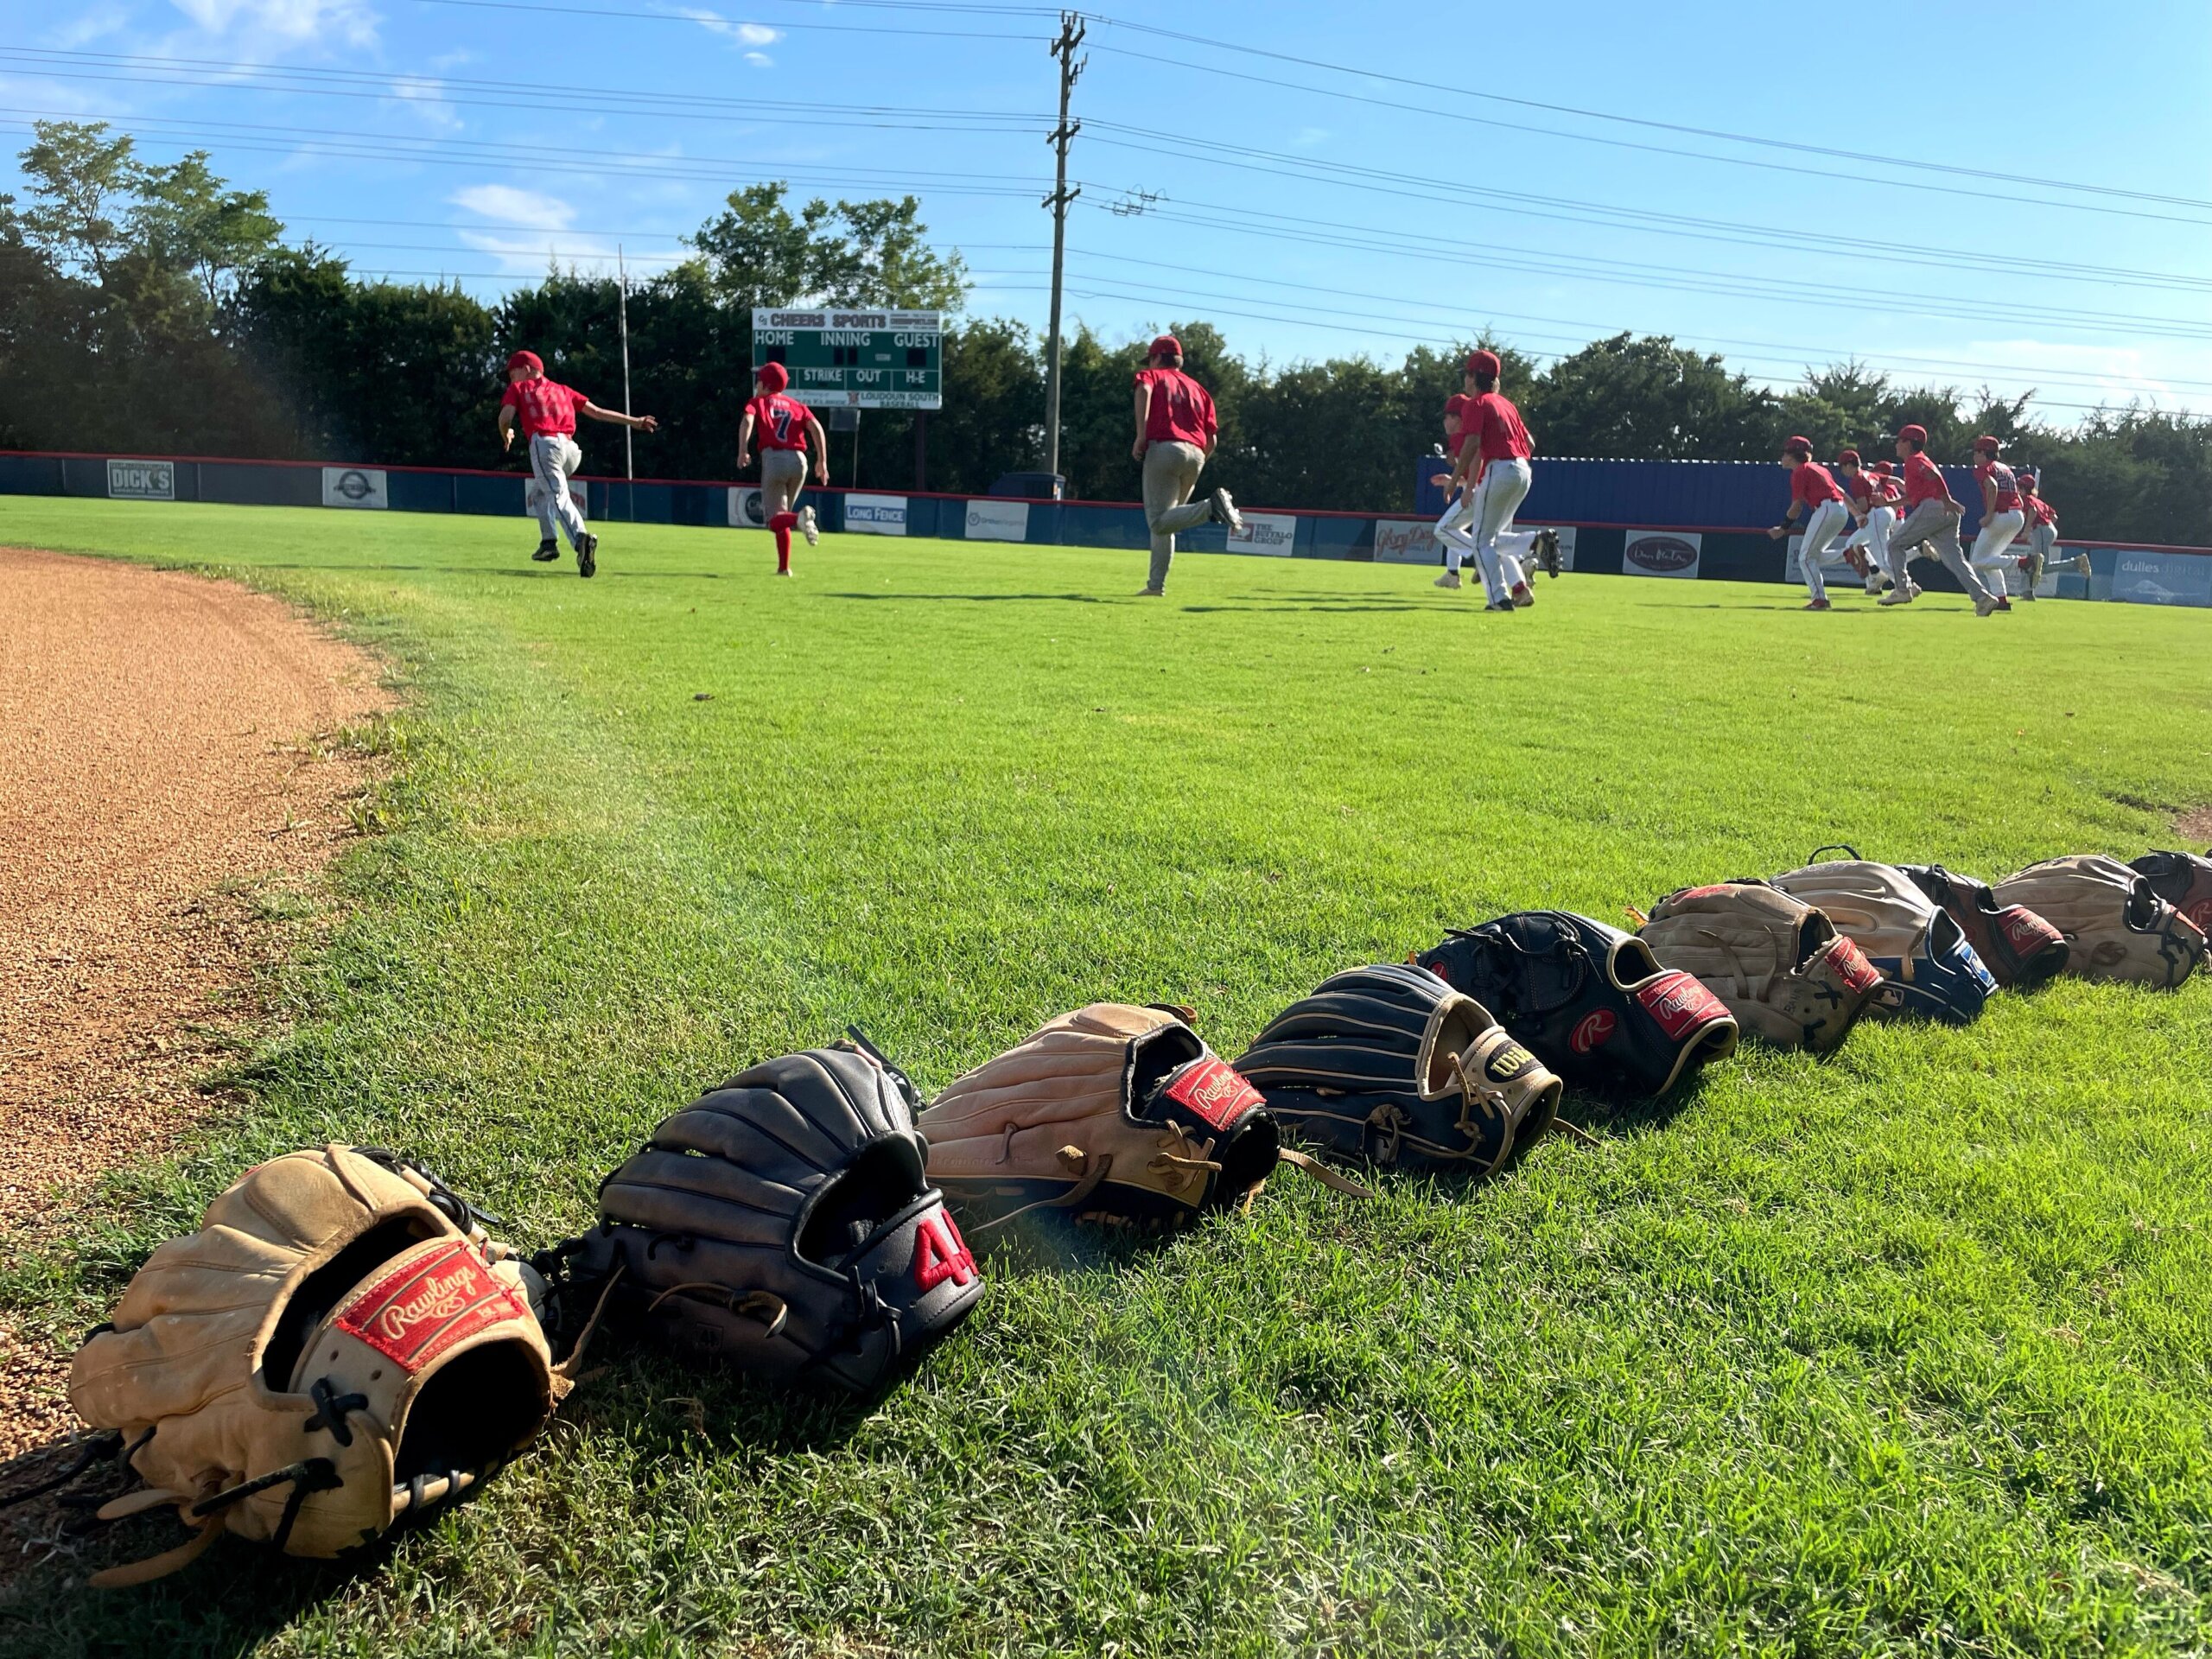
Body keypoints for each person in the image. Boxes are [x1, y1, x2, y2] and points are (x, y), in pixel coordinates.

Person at [498, 349, 658, 579]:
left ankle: (580, 539)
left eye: (511, 374)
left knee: (556, 495)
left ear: (527, 370)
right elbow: (599, 412)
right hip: (571, 450)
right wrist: (635, 422)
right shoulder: (563, 390)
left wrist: (506, 435)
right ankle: (549, 542)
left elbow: (505, 419)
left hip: (546, 444)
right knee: (541, 493)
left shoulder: (518, 388)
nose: (510, 380)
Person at [1131, 334, 1242, 596]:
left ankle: (1209, 507)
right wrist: (1198, 459)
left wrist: (1141, 435)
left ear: (1157, 357)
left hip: (1164, 449)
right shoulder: (1198, 388)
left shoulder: (1153, 376)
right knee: (1169, 521)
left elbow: (1143, 389)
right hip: (1196, 453)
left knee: (1158, 521)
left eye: (1151, 359)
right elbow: (1212, 438)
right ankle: (1155, 586)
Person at [1432, 349, 1536, 610]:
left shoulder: (1477, 404)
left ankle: (1502, 593)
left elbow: (1473, 446)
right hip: (1522, 470)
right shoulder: (1507, 404)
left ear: (1475, 377)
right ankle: (1524, 563)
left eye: (1467, 374)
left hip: (1499, 470)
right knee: (1490, 539)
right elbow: (1530, 443)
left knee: (1481, 541)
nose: (1465, 379)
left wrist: (1457, 479)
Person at [1883, 424, 2004, 614]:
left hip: (1935, 508)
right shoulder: (1915, 462)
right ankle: (1983, 598)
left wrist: (1946, 500)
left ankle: (1902, 590)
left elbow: (1935, 476)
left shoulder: (1914, 460)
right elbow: (1913, 497)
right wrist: (1889, 503)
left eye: (1900, 440)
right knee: (1956, 561)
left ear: (1909, 443)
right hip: (1942, 510)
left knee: (1894, 545)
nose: (1897, 444)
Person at [736, 361, 829, 577]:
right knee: (783, 514)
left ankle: (799, 518)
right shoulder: (797, 405)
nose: (757, 384)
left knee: (774, 520)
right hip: (800, 461)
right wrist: (822, 461)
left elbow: (747, 422)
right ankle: (784, 568)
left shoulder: (758, 402)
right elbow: (816, 427)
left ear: (766, 384)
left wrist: (743, 449)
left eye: (759, 380)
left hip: (775, 459)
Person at [1767, 437, 1851, 610]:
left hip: (1826, 509)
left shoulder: (1800, 471)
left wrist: (1783, 527)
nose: (1782, 457)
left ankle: (1820, 600)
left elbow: (1796, 507)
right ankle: (1850, 554)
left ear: (1792, 455)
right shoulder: (1818, 468)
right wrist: (1856, 514)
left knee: (1805, 558)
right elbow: (1841, 491)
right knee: (1813, 557)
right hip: (1840, 510)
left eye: (1784, 453)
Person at [1965, 435, 2026, 606]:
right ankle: (2001, 599)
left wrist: (1990, 514)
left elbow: (1992, 486)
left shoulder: (1983, 468)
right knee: (1990, 559)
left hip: (2001, 515)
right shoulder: (2005, 469)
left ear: (1984, 453)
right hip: (2017, 515)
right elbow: (2019, 499)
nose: (1974, 457)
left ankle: (2022, 562)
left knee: (1977, 561)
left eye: (1976, 452)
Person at [1834, 449, 1891, 597]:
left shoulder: (1857, 479)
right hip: (1881, 514)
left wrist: (1856, 513)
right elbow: (1894, 481)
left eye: (1842, 466)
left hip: (1877, 515)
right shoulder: (1870, 474)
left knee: (1882, 557)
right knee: (1852, 545)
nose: (1842, 470)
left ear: (1848, 465)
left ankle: (1906, 586)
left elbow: (1864, 506)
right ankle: (1874, 580)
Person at [2017, 469, 2058, 598]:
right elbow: (2054, 517)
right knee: (2030, 562)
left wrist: (2027, 530)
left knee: (2039, 565)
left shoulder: (2026, 499)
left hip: (2039, 530)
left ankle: (2075, 564)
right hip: (2049, 529)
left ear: (2023, 487)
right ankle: (2027, 592)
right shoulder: (2038, 500)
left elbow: (2032, 511)